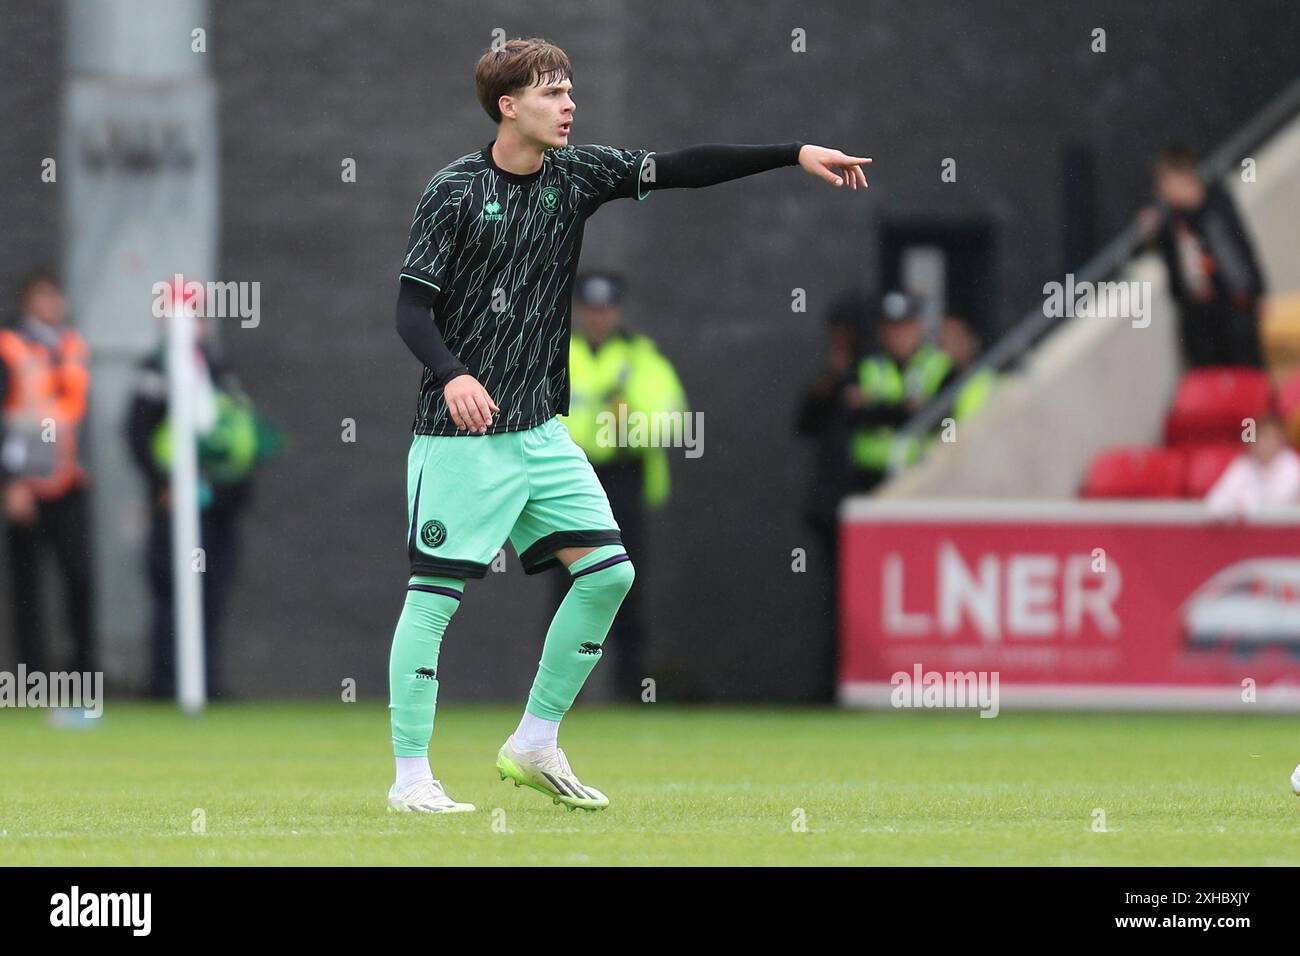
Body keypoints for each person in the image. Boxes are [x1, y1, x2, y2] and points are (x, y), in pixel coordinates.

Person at [386, 36, 871, 813]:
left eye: (571, 89)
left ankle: (535, 741)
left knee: (609, 573)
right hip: (460, 439)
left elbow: (683, 166)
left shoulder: (577, 174)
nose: (569, 103)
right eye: (551, 92)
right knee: (435, 598)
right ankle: (411, 779)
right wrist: (454, 375)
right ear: (508, 106)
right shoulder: (452, 190)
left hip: (542, 433)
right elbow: (411, 311)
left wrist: (793, 151)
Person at [125, 310, 274, 698]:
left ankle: (206, 683)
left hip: (219, 507)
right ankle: (165, 684)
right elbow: (138, 432)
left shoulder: (218, 368)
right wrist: (163, 483)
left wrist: (237, 490)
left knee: (212, 596)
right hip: (176, 508)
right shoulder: (157, 369)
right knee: (173, 594)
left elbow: (239, 431)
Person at [556, 272, 687, 701]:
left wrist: (623, 421)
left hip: (623, 479)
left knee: (625, 582)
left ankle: (631, 689)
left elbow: (672, 421)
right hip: (569, 479)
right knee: (566, 585)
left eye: (606, 308)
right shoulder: (558, 352)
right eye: (591, 309)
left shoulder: (642, 358)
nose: (598, 318)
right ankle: (558, 693)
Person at [0, 269, 95, 674]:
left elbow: (80, 413)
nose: (51, 305)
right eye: (43, 297)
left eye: (55, 297)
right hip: (28, 482)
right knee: (27, 588)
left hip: (68, 480)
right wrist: (11, 482)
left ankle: (82, 675)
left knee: (80, 578)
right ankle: (32, 676)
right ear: (27, 302)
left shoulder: (73, 347)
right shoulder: (10, 347)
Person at [794, 289, 871, 699]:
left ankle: (858, 682)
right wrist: (830, 383)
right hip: (831, 501)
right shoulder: (834, 374)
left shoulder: (873, 371)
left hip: (868, 499)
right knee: (834, 600)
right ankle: (833, 684)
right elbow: (804, 422)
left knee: (860, 601)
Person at [1138, 144, 1266, 369]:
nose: (1161, 192)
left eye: (1165, 183)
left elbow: (1236, 254)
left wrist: (1252, 293)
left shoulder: (1215, 205)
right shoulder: (1171, 224)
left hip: (1234, 310)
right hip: (1202, 324)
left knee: (1248, 376)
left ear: (1183, 177)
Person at [845, 291, 956, 494]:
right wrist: (906, 409)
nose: (899, 335)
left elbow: (942, 418)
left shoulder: (939, 365)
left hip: (923, 476)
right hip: (871, 477)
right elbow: (853, 415)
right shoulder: (866, 365)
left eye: (906, 327)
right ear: (881, 331)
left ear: (919, 326)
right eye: (892, 328)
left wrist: (877, 405)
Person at [1205, 414, 1300, 518]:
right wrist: (1233, 508)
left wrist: (1245, 504)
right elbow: (1214, 503)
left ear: (1281, 441)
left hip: (1285, 532)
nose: (1265, 444)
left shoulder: (1291, 464)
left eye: (1271, 438)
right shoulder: (1244, 464)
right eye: (1261, 437)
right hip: (1248, 532)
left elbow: (1279, 503)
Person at [936, 314, 996, 422]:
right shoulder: (944, 386)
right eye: (944, 342)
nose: (950, 347)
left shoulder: (992, 372)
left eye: (956, 337)